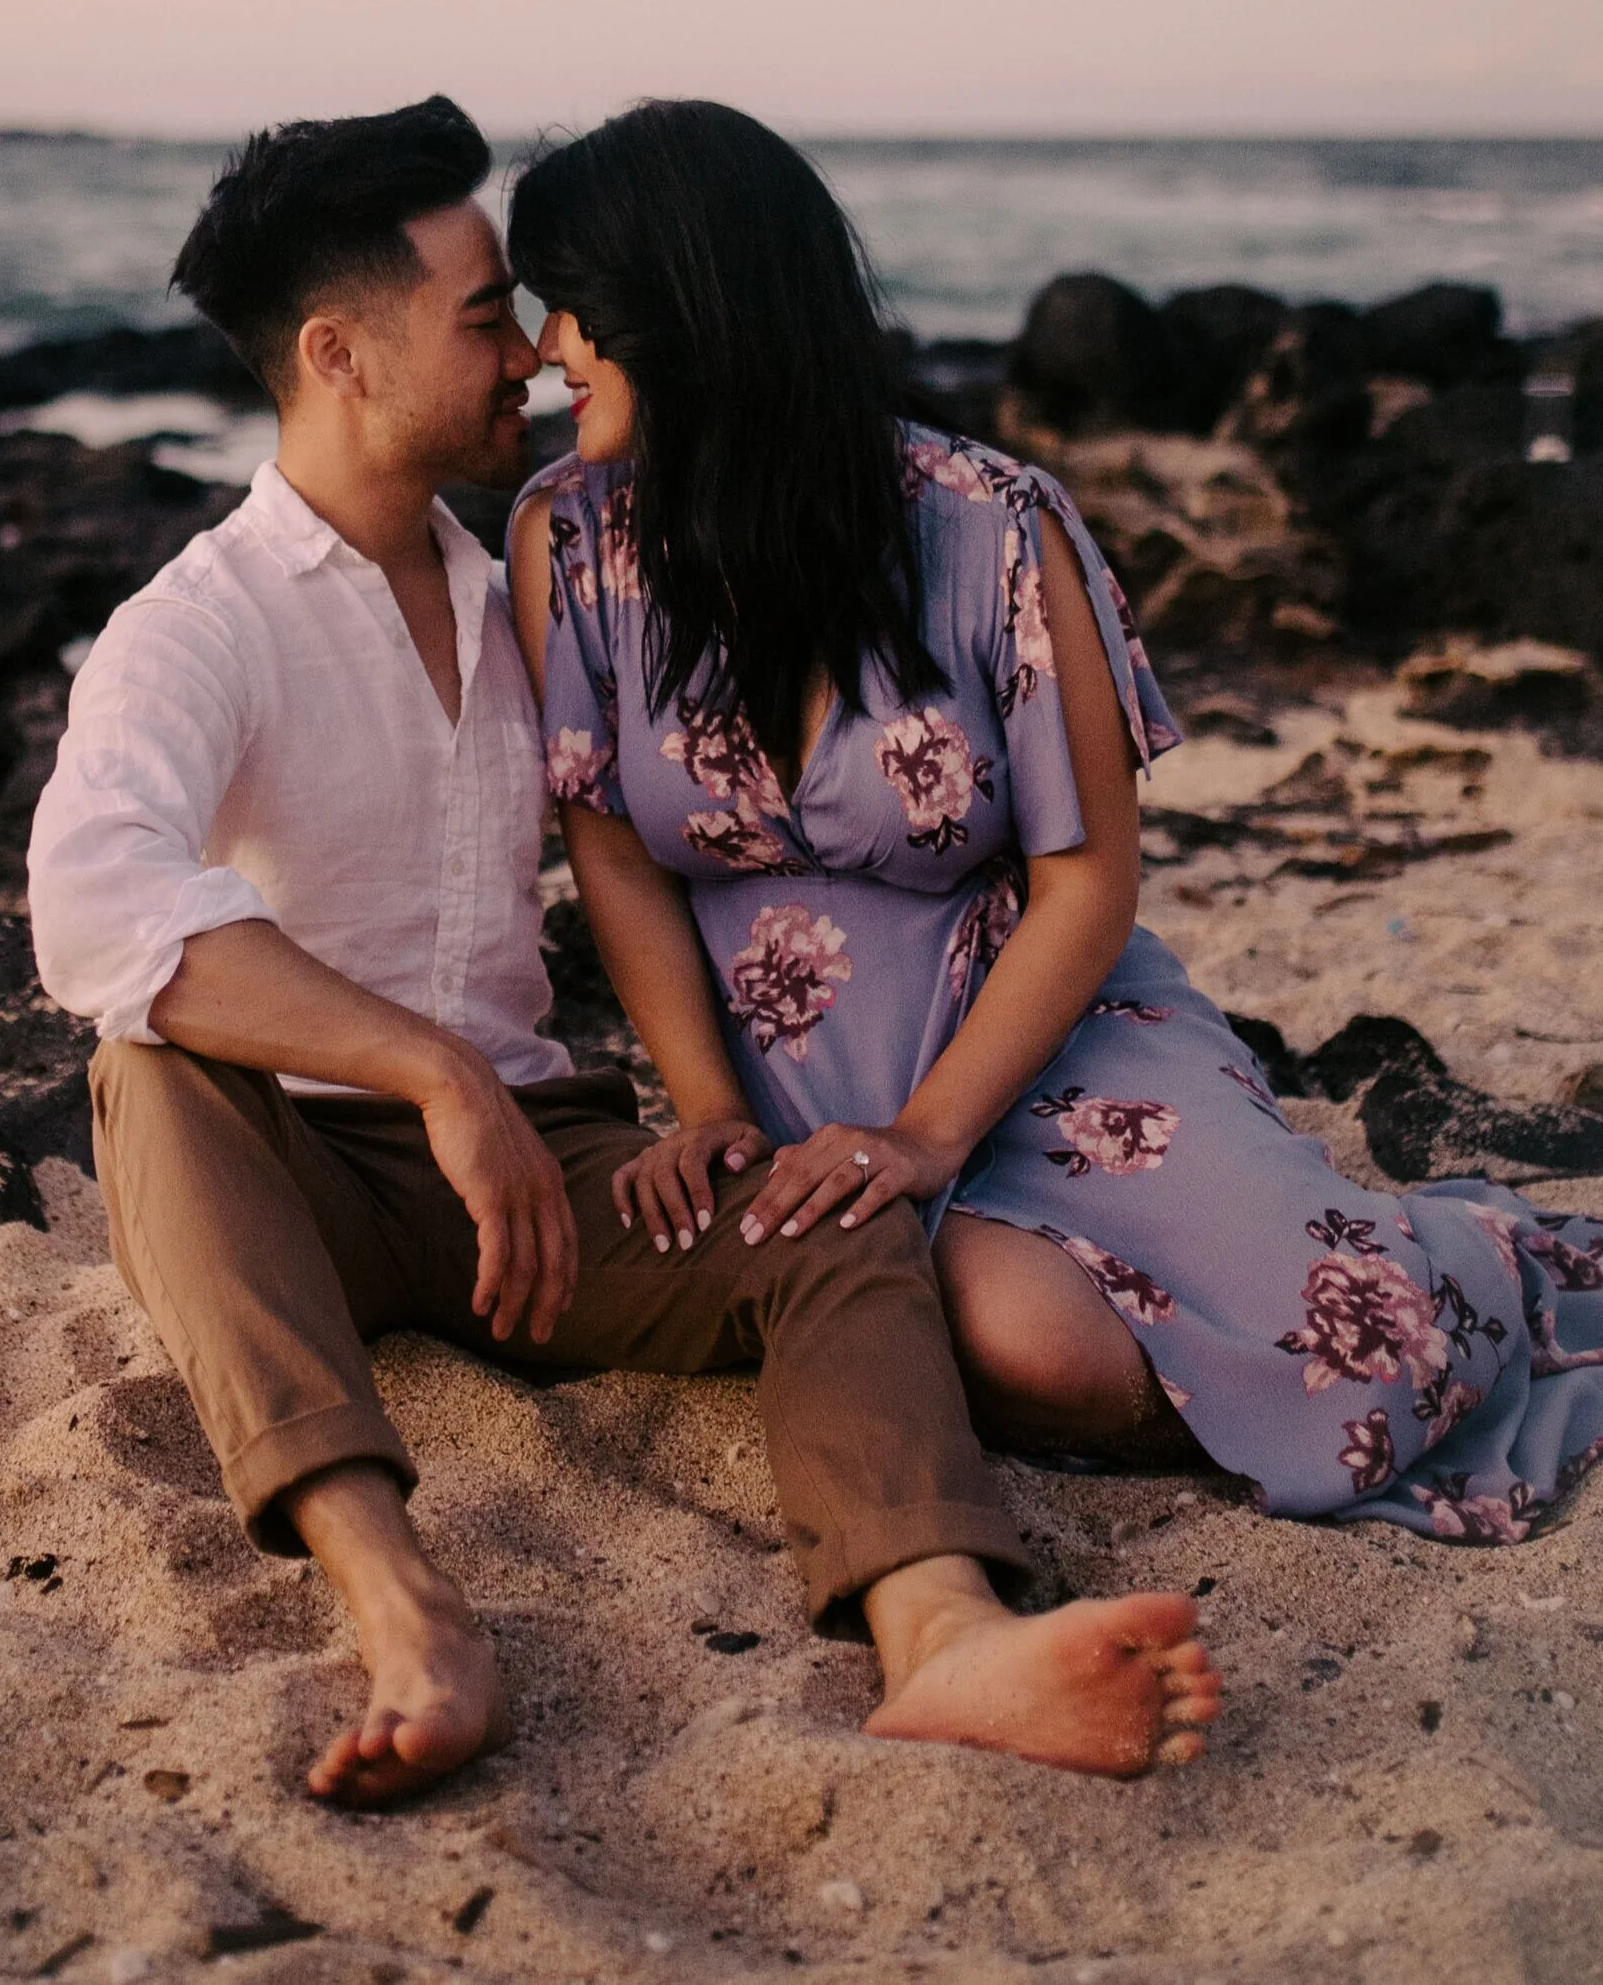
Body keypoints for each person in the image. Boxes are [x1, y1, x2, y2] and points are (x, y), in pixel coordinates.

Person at [26, 93, 1221, 1811]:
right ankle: (402, 1601)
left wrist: (684, 1101)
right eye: (484, 313)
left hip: (535, 1159)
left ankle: (941, 1627)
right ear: (338, 351)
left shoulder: (534, 571)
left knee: (835, 1210)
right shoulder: (196, 626)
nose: (530, 348)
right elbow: (94, 903)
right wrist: (428, 1069)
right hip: (289, 1172)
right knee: (143, 1066)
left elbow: (695, 793)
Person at [505, 98, 1603, 1556]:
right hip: (793, 1078)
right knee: (1019, 1344)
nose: (544, 350)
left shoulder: (992, 525)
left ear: (692, 303)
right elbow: (618, 855)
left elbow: (1089, 875)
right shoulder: (567, 540)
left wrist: (923, 1130)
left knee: (1368, 1342)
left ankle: (1485, 1253)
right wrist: (705, 1105)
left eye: (574, 308)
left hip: (1049, 1034)